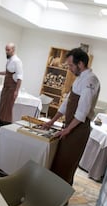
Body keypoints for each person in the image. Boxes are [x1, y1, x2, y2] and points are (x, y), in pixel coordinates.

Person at [42, 48, 100, 185]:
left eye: (71, 65)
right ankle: (51, 194)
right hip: (69, 127)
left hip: (78, 129)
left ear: (80, 64)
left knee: (66, 166)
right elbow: (66, 103)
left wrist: (67, 130)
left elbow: (82, 111)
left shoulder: (91, 80)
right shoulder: (79, 79)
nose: (69, 69)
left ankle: (60, 198)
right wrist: (52, 121)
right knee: (59, 163)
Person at [0, 42, 23, 128]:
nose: (6, 52)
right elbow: (8, 73)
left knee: (8, 106)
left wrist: (16, 91)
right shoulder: (10, 60)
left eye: (8, 50)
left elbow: (20, 77)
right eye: (6, 50)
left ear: (13, 50)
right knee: (3, 104)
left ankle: (6, 124)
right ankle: (1, 122)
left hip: (12, 87)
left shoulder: (17, 61)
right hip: (6, 87)